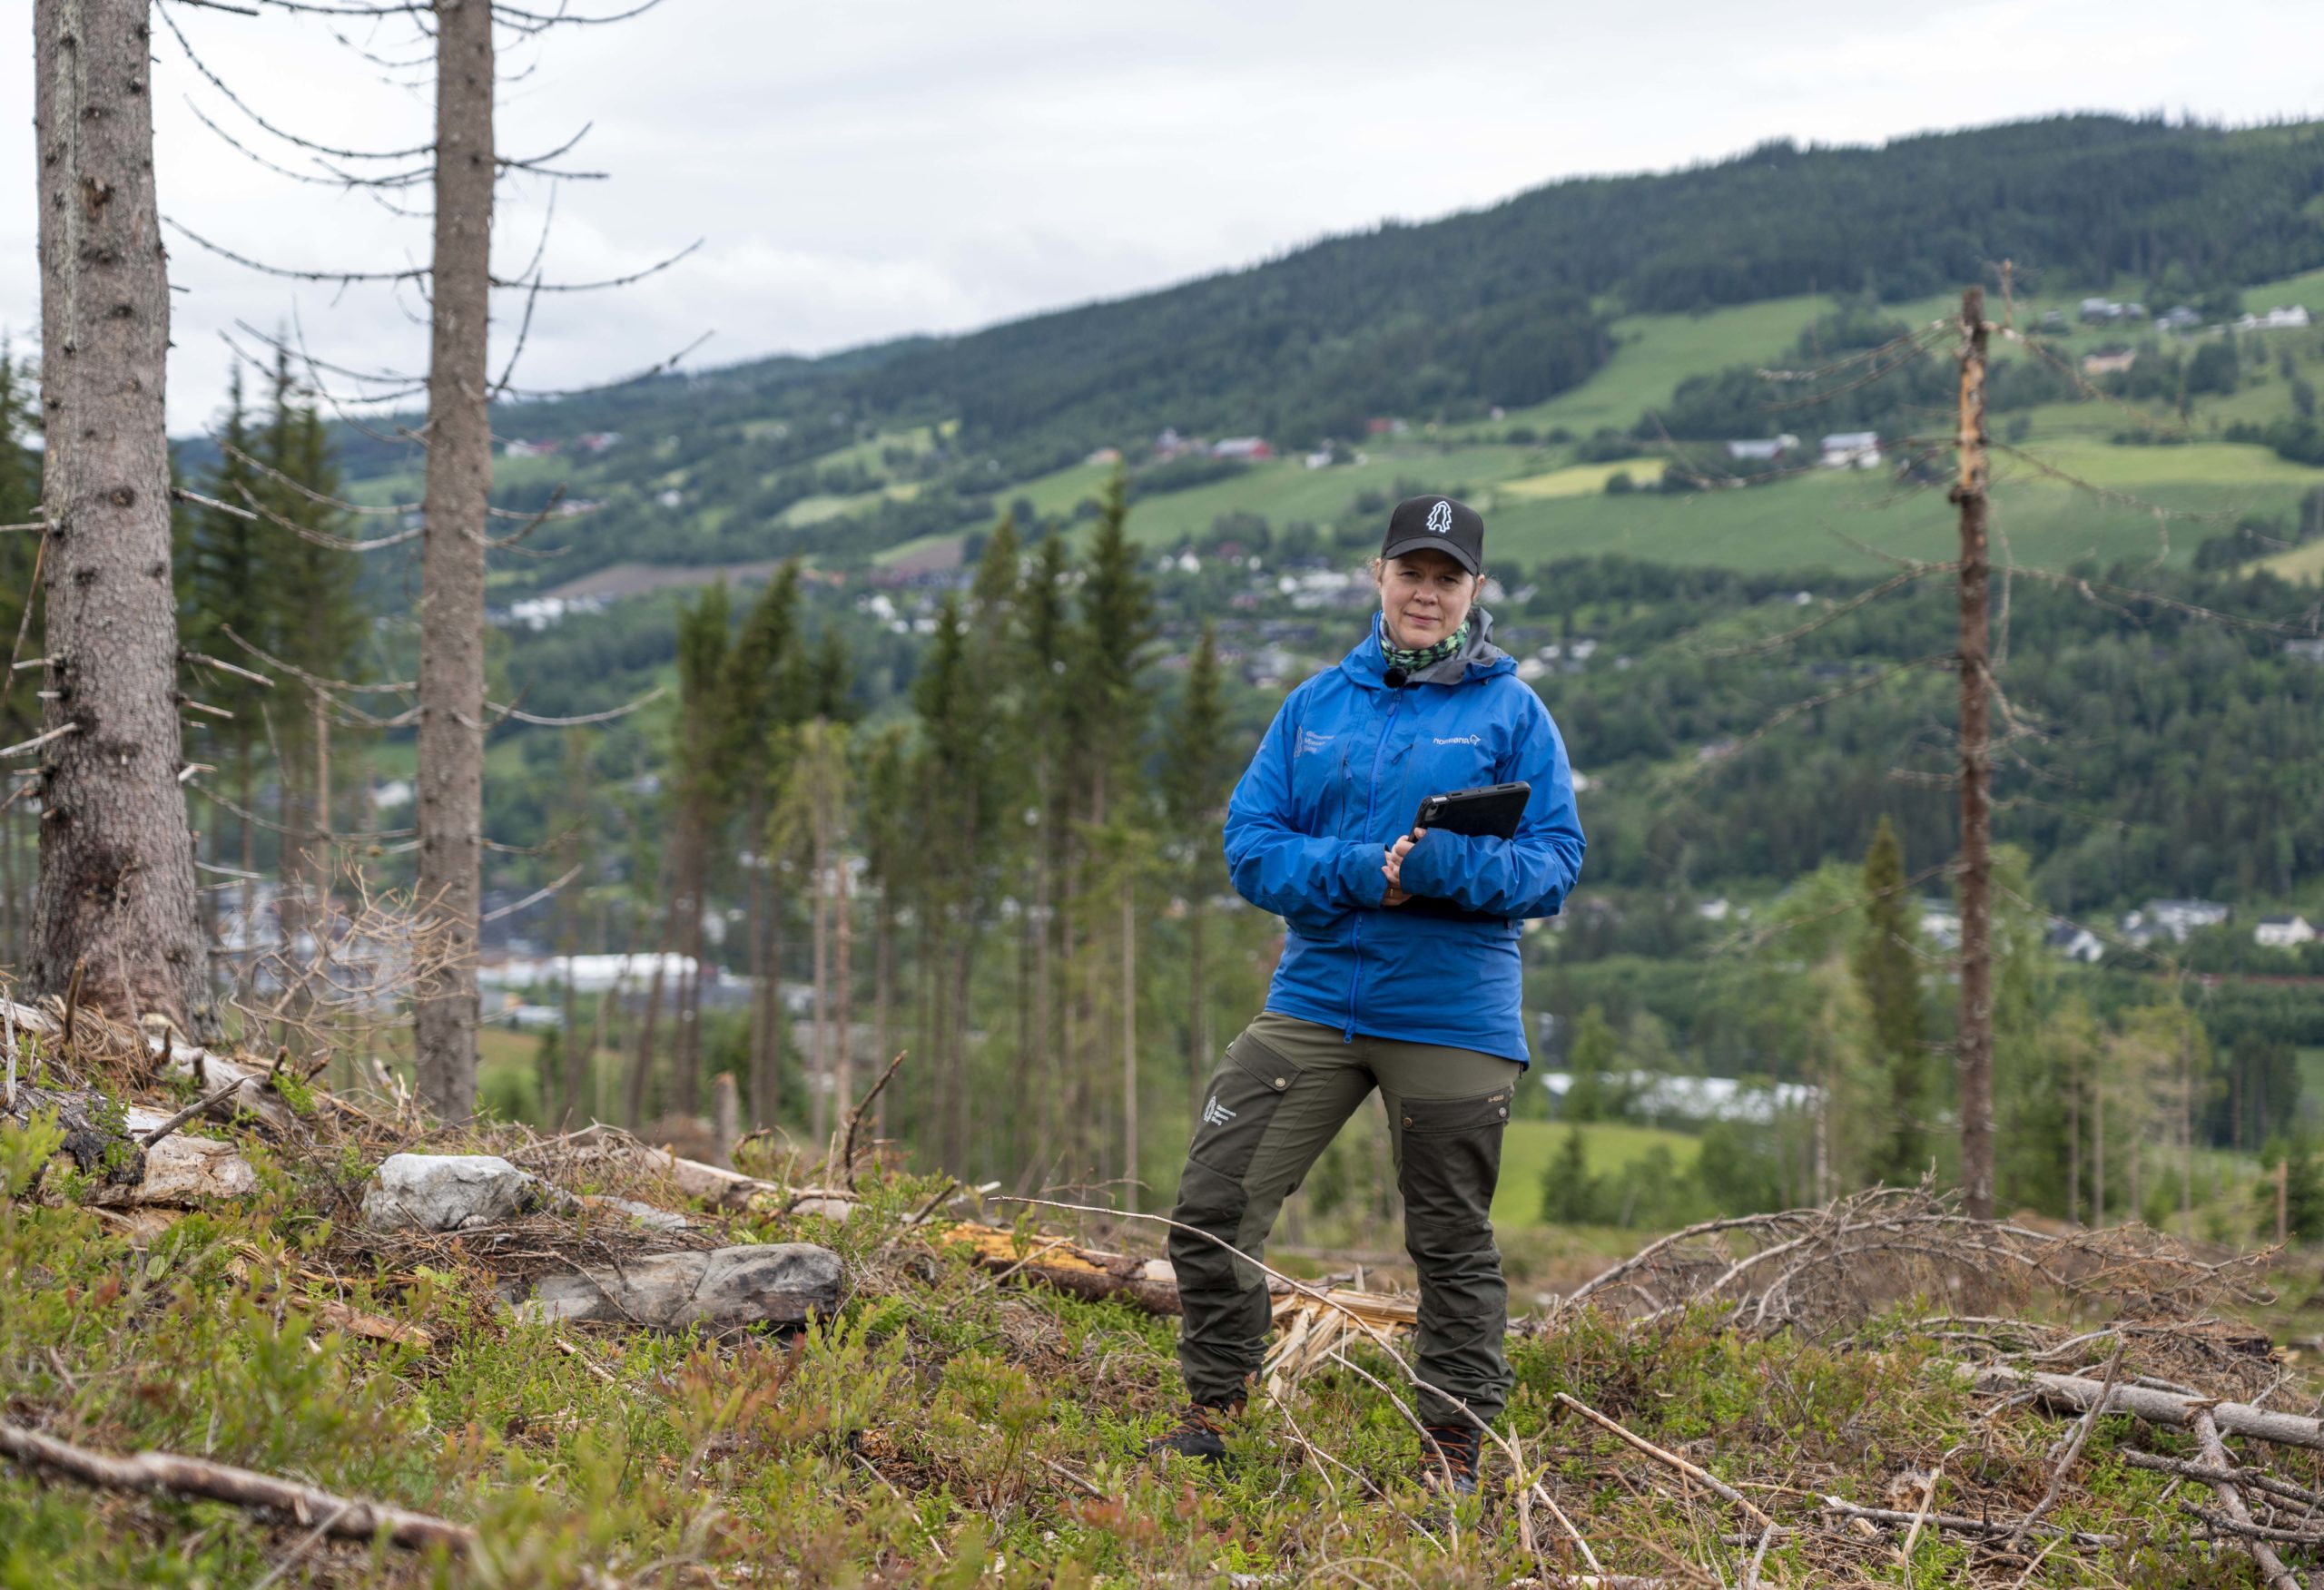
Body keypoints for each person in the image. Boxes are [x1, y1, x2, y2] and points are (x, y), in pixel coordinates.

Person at [1149, 495, 1585, 1494]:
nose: (1425, 592)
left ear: (1474, 590)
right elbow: (1249, 847)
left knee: (1447, 1236)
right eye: (1410, 572)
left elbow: (1554, 864)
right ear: (1377, 577)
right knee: (1211, 1209)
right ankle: (1217, 1416)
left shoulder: (1510, 712)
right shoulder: (1313, 706)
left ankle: (1453, 1450)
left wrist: (1440, 871)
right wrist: (1361, 870)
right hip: (1312, 1000)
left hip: (1450, 1012)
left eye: (1447, 577)